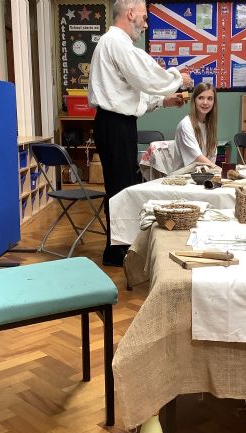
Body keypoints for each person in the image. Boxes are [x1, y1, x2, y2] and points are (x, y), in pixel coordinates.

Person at [89, 0, 193, 266]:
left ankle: (120, 246)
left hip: (117, 124)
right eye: (144, 18)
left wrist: (163, 101)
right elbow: (146, 76)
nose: (146, 25)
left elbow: (131, 93)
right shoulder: (116, 42)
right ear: (130, 13)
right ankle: (116, 251)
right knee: (120, 188)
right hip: (115, 125)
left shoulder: (115, 44)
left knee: (124, 185)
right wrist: (178, 79)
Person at [172, 82, 219, 173]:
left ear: (214, 102)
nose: (205, 102)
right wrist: (219, 170)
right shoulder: (186, 124)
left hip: (203, 174)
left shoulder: (209, 125)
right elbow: (197, 158)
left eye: (210, 98)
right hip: (182, 177)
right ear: (194, 101)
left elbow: (211, 157)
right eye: (201, 98)